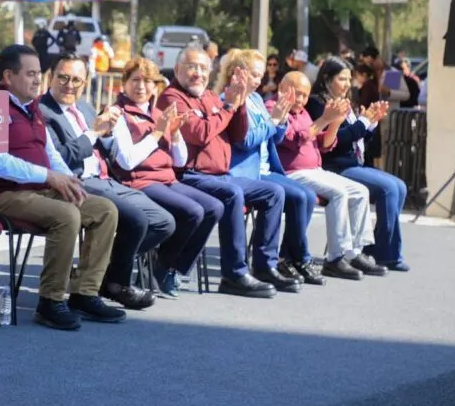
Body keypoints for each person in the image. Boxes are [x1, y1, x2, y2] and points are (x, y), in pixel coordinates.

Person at [0, 45, 123, 330]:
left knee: (104, 210)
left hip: (36, 190)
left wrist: (67, 181)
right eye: (31, 74)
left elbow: (52, 154)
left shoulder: (32, 108)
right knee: (67, 215)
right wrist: (50, 177)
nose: (38, 80)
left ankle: (83, 293)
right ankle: (49, 302)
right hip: (0, 195)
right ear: (8, 76)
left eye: (39, 74)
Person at [38, 52, 174, 308]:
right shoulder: (43, 112)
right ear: (50, 77)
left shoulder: (86, 107)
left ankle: (101, 275)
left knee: (164, 221)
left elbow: (106, 148)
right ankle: (115, 284)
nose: (69, 85)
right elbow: (62, 159)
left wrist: (108, 135)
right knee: (136, 220)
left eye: (76, 80)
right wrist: (93, 132)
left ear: (86, 82)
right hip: (76, 181)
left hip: (105, 178)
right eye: (63, 78)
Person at [155, 46, 281, 298]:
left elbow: (237, 135)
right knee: (231, 194)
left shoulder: (211, 96)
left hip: (220, 174)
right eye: (192, 67)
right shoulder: (172, 97)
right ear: (178, 69)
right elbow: (199, 133)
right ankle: (234, 273)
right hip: (189, 174)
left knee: (274, 192)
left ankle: (266, 265)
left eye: (203, 68)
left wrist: (240, 102)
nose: (198, 73)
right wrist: (229, 107)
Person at [110, 58, 223, 297]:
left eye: (147, 81)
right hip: (140, 181)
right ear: (125, 83)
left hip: (167, 178)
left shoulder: (158, 113)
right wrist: (158, 133)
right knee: (193, 211)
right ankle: (161, 267)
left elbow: (180, 160)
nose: (141, 86)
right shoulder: (119, 114)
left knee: (214, 207)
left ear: (155, 86)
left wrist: (175, 134)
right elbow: (127, 161)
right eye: (135, 80)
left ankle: (171, 267)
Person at [218, 50, 321, 287]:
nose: (259, 80)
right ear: (238, 73)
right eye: (254, 75)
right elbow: (244, 140)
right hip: (245, 171)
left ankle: (289, 258)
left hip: (265, 167)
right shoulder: (231, 98)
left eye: (260, 75)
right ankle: (280, 261)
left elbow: (271, 139)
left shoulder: (255, 99)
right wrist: (273, 120)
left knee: (306, 195)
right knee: (290, 195)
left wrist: (281, 121)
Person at [271, 71, 387, 279]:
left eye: (304, 96)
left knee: (360, 191)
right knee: (339, 193)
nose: (300, 100)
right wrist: (325, 118)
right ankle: (335, 258)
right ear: (282, 87)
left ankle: (355, 252)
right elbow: (296, 138)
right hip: (292, 173)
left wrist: (334, 121)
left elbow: (324, 144)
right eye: (295, 93)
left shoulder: (303, 112)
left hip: (315, 170)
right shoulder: (275, 108)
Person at [307, 57, 410, 271]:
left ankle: (376, 248)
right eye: (341, 79)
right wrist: (363, 122)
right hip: (335, 166)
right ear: (327, 79)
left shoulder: (347, 101)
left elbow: (357, 139)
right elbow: (333, 142)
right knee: (388, 188)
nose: (347, 84)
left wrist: (370, 123)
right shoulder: (318, 103)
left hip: (355, 163)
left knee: (399, 186)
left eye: (349, 79)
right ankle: (386, 254)